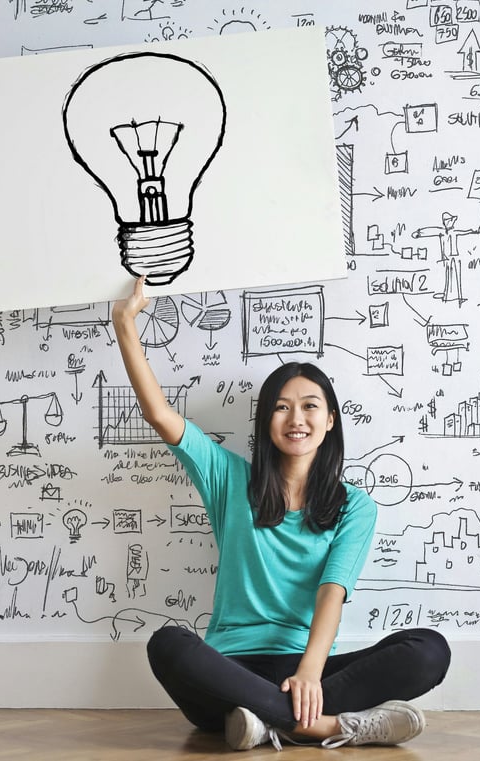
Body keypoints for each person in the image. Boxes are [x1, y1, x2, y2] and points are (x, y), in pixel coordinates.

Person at [112, 276, 451, 751]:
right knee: (168, 644)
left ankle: (262, 722)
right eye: (282, 408)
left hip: (309, 670)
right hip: (229, 669)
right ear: (265, 422)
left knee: (428, 650)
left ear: (330, 419)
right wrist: (124, 323)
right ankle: (328, 728)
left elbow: (332, 592)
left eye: (310, 406)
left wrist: (310, 671)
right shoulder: (229, 479)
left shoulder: (356, 505)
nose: (296, 419)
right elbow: (159, 414)